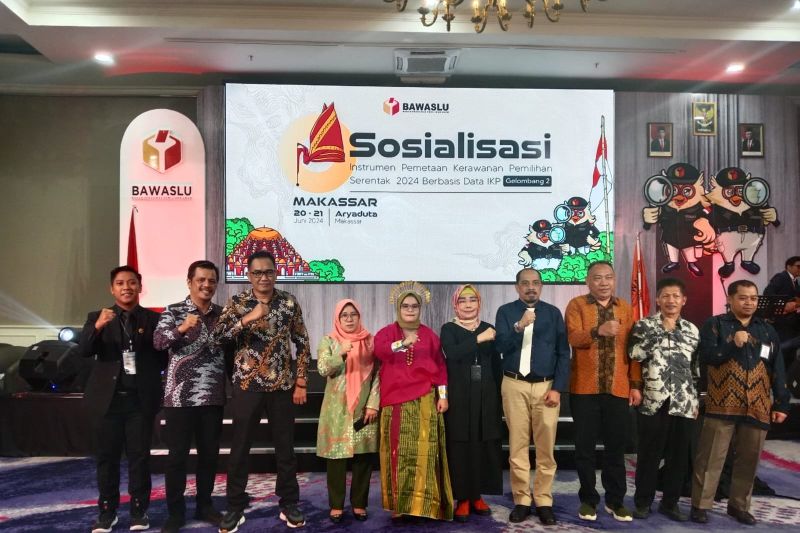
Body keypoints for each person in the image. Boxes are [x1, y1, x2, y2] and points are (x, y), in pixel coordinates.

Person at [214, 251, 311, 531]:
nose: (263, 277)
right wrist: (247, 319)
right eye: (257, 273)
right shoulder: (237, 303)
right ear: (249, 275)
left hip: (281, 386)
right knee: (240, 448)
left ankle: (289, 503)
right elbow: (217, 338)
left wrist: (301, 380)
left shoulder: (288, 302)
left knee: (285, 448)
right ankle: (235, 506)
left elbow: (302, 341)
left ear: (276, 273)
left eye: (268, 272)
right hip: (247, 387)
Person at [690, 280, 791, 526]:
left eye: (753, 298)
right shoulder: (715, 324)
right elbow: (708, 358)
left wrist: (781, 403)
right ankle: (701, 505)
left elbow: (777, 366)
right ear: (730, 299)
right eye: (743, 298)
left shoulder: (766, 330)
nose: (749, 303)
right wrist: (732, 344)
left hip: (757, 404)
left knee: (749, 459)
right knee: (711, 457)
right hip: (721, 403)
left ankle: (739, 506)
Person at [77, 265, 167, 533]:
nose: (126, 287)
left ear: (140, 286)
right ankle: (107, 512)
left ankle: (139, 511)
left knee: (140, 458)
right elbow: (83, 350)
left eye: (131, 282)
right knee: (107, 458)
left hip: (140, 400)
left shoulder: (154, 319)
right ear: (112, 289)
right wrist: (97, 327)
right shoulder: (97, 317)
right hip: (107, 401)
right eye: (120, 283)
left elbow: (163, 356)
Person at [565, 260, 642, 522]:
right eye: (597, 278)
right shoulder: (577, 305)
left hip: (618, 388)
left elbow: (633, 349)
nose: (603, 282)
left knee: (615, 449)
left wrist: (635, 384)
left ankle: (615, 501)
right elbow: (573, 338)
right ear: (588, 281)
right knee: (584, 449)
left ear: (614, 280)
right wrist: (598, 330)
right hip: (584, 388)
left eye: (608, 277)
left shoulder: (625, 308)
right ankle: (588, 500)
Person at [154, 260, 226, 533]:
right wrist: (182, 328)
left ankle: (204, 505)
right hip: (179, 398)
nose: (206, 285)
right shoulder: (173, 311)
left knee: (209, 456)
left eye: (211, 281)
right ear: (189, 282)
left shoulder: (222, 314)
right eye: (201, 280)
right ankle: (176, 513)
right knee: (177, 458)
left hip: (213, 397)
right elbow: (158, 342)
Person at [494, 269, 570, 526]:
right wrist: (519, 326)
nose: (531, 287)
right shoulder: (506, 312)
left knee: (546, 447)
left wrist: (558, 388)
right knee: (517, 446)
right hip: (514, 384)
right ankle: (522, 500)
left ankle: (544, 500)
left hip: (545, 386)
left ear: (541, 286)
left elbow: (563, 353)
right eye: (525, 283)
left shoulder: (553, 313)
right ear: (517, 287)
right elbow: (499, 347)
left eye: (535, 283)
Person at [374, 281, 453, 521]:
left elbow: (440, 368)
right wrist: (402, 343)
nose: (410, 310)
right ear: (398, 308)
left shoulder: (430, 336)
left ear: (420, 309)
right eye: (405, 306)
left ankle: (425, 506)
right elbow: (379, 351)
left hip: (425, 402)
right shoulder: (387, 333)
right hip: (395, 402)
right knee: (397, 454)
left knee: (425, 454)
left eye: (414, 306)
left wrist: (443, 396)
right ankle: (400, 505)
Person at [628, 278, 699, 522]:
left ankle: (670, 503)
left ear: (684, 300)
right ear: (658, 300)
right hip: (653, 400)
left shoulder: (692, 330)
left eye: (676, 296)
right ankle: (643, 502)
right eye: (666, 296)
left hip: (683, 402)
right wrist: (659, 333)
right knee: (649, 455)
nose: (671, 300)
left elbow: (695, 369)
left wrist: (695, 401)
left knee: (678, 458)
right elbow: (634, 354)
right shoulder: (644, 325)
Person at [440, 285, 503, 523]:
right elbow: (453, 353)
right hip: (459, 396)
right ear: (455, 305)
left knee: (482, 445)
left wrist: (499, 394)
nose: (468, 305)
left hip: (485, 396)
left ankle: (477, 495)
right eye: (463, 301)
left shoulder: (489, 327)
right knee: (461, 447)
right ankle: (463, 498)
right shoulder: (449, 328)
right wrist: (478, 339)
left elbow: (496, 363)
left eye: (472, 300)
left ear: (479, 303)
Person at [315, 299, 380, 523]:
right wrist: (340, 353)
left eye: (353, 314)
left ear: (359, 316)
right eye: (345, 315)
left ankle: (359, 503)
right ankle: (336, 505)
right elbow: (323, 369)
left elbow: (378, 374)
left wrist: (373, 403)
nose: (350, 319)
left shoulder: (370, 341)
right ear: (338, 318)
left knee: (363, 457)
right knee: (336, 458)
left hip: (364, 407)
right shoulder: (329, 340)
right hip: (337, 409)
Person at [764, 256, 800, 367]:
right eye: (798, 266)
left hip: (791, 325)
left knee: (790, 355)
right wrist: (784, 305)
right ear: (788, 266)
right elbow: (768, 294)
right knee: (779, 353)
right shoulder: (781, 277)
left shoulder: (795, 282)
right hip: (781, 324)